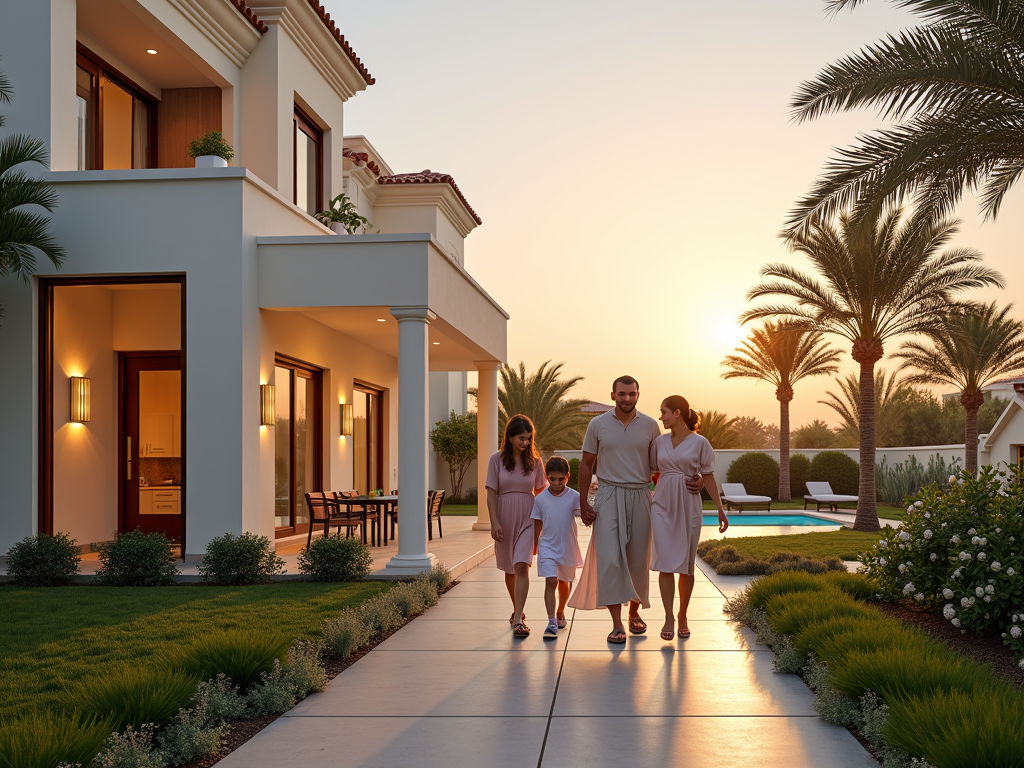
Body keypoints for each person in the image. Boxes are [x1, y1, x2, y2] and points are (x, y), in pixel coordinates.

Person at [569, 376, 703, 644]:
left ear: (638, 395)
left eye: (631, 394)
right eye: (622, 394)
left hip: (641, 496)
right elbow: (586, 464)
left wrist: (696, 478)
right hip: (607, 495)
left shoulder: (651, 426)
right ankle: (617, 623)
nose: (627, 399)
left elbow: (663, 464)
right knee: (609, 560)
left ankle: (634, 614)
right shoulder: (598, 424)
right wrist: (583, 502)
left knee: (638, 561)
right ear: (612, 395)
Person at [650, 395, 728, 640]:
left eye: (664, 412)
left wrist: (720, 508)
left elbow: (709, 474)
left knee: (685, 565)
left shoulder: (700, 443)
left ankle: (683, 613)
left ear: (677, 413)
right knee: (665, 562)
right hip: (661, 504)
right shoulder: (659, 443)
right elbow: (650, 472)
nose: (661, 416)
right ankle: (668, 617)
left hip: (688, 504)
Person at [486, 414, 548, 637]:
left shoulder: (536, 462)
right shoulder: (496, 460)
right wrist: (494, 522)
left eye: (529, 438)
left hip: (528, 516)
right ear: (510, 437)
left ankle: (519, 620)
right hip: (503, 516)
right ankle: (517, 611)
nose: (526, 442)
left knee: (522, 565)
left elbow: (543, 492)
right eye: (522, 438)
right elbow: (491, 493)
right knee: (510, 568)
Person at [531, 456, 583, 638]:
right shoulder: (541, 499)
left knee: (563, 582)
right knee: (551, 581)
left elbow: (584, 515)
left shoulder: (574, 496)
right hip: (547, 546)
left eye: (561, 479)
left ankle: (561, 610)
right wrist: (535, 545)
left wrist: (591, 498)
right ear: (546, 477)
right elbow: (537, 522)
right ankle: (551, 621)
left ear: (567, 476)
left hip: (567, 546)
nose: (556, 483)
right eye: (552, 479)